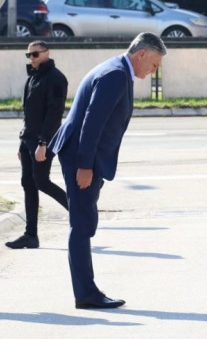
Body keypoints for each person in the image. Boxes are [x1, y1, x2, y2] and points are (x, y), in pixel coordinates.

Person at [50, 32, 166, 309]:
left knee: (85, 222)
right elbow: (92, 123)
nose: (154, 71)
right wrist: (84, 166)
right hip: (81, 157)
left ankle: (86, 291)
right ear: (142, 54)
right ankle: (86, 294)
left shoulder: (115, 69)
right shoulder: (114, 74)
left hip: (85, 156)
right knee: (82, 225)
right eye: (154, 64)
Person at [6, 40, 69, 249]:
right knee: (28, 184)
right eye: (29, 55)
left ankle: (80, 211)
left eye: (35, 54)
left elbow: (54, 114)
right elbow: (28, 114)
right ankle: (30, 235)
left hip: (43, 140)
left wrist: (43, 143)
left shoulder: (56, 78)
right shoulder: (32, 78)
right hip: (28, 139)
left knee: (42, 181)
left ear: (47, 53)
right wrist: (22, 143)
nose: (31, 58)